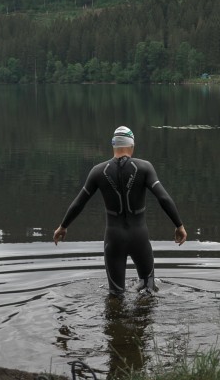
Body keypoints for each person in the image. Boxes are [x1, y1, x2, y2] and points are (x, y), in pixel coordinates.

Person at [53, 126, 187, 295]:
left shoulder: (98, 172)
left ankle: (116, 320)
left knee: (115, 295)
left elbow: (79, 202)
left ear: (113, 146)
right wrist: (179, 225)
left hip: (114, 239)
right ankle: (144, 320)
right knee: (149, 289)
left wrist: (63, 226)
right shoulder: (145, 168)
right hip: (139, 237)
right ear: (132, 145)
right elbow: (164, 198)